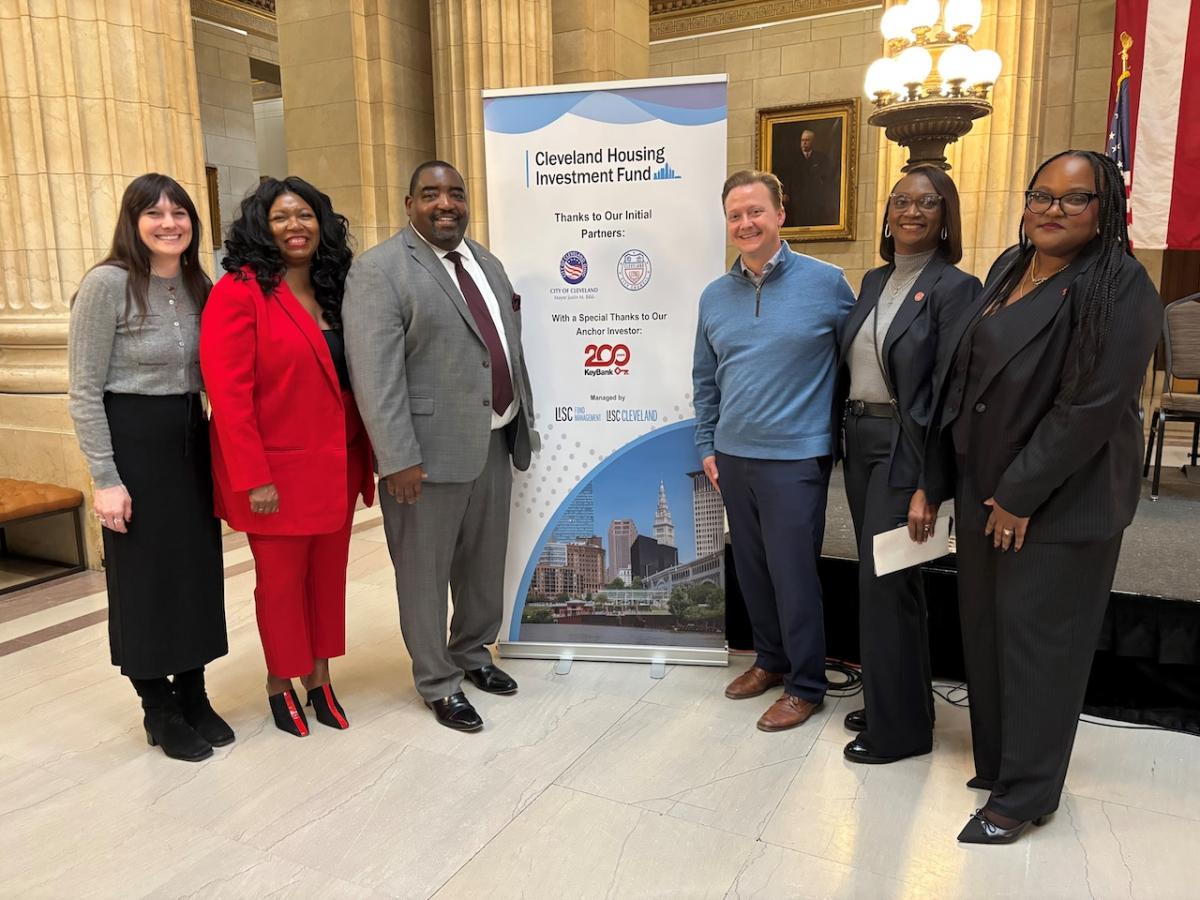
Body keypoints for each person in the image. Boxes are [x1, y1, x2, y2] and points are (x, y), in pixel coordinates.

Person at [924, 150, 1162, 844]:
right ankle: (1001, 762)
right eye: (1042, 196)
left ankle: (1025, 797)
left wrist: (1020, 493)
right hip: (983, 488)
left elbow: (1088, 408)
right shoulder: (1010, 265)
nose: (1051, 210)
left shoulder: (1121, 286)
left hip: (1058, 500)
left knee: (1039, 644)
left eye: (1073, 199)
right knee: (987, 630)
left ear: (1104, 209)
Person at [342, 160, 536, 733]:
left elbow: (502, 348)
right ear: (409, 204)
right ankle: (437, 681)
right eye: (431, 194)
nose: (445, 203)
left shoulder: (487, 263)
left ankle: (473, 654)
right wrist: (398, 457)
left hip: (494, 441)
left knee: (481, 568)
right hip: (423, 460)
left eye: (455, 193)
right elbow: (375, 377)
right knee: (424, 576)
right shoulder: (379, 272)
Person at [201, 176, 374, 737]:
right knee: (280, 583)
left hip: (337, 465)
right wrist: (253, 476)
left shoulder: (336, 287)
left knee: (328, 576)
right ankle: (281, 679)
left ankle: (319, 676)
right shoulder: (240, 290)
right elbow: (228, 396)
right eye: (281, 217)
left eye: (305, 215)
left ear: (321, 223)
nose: (294, 226)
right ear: (261, 226)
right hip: (276, 472)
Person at [68, 173, 231, 762]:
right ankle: (158, 709)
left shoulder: (199, 283)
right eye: (154, 213)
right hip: (132, 444)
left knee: (194, 574)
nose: (170, 223)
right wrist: (105, 479)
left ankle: (194, 692)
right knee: (145, 582)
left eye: (180, 212)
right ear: (132, 222)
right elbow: (84, 391)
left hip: (190, 438)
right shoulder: (107, 285)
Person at [693, 169, 855, 732]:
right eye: (735, 215)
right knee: (755, 572)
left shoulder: (828, 283)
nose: (745, 223)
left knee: (793, 575)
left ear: (781, 214)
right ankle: (770, 660)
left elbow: (854, 366)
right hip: (734, 458)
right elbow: (705, 378)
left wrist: (834, 442)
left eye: (756, 211)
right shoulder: (714, 296)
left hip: (796, 458)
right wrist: (707, 443)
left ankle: (806, 684)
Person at [832, 167, 981, 764]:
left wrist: (930, 484)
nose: (911, 211)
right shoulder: (873, 279)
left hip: (906, 447)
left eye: (926, 202)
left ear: (946, 216)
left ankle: (900, 734)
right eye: (900, 201)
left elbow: (949, 394)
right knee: (891, 581)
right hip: (860, 440)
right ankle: (900, 702)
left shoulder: (955, 287)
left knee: (885, 582)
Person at [779, 128, 838, 227]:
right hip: (797, 197)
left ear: (812, 142)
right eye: (802, 140)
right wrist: (786, 192)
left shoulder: (821, 158)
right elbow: (787, 177)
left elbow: (826, 178)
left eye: (807, 140)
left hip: (814, 197)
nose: (804, 143)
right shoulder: (793, 159)